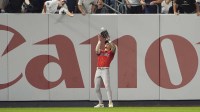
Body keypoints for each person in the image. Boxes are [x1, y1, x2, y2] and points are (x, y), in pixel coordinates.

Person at [94, 31, 116, 108]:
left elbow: (114, 47)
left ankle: (110, 102)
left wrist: (109, 40)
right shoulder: (102, 52)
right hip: (98, 70)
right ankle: (101, 103)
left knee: (107, 86)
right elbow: (96, 50)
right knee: (96, 88)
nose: (106, 45)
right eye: (105, 44)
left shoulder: (111, 53)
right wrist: (99, 41)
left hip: (105, 70)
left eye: (107, 44)